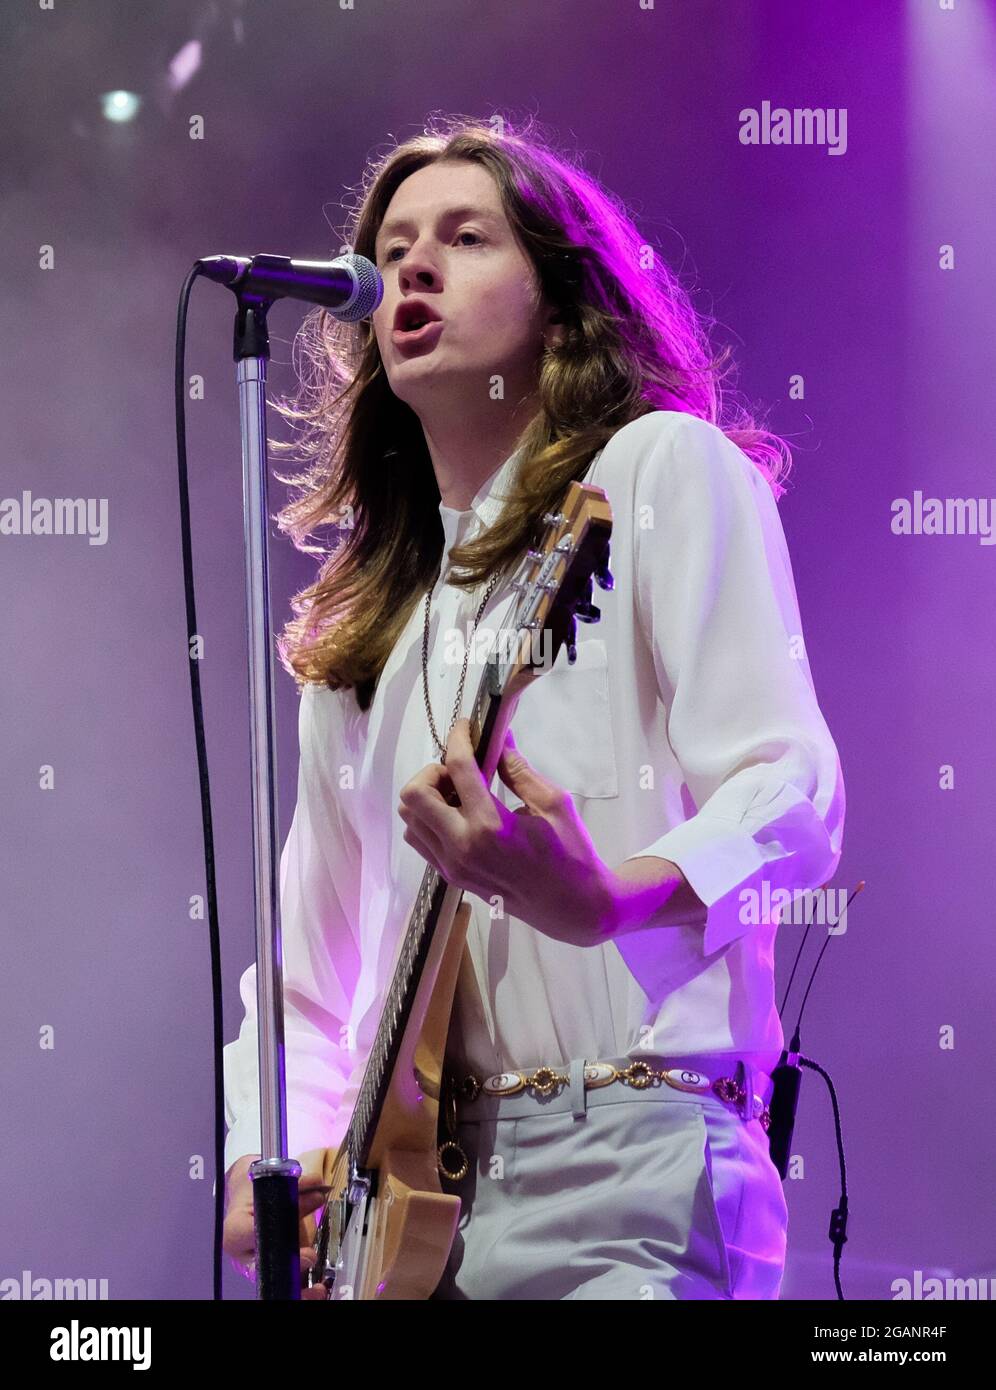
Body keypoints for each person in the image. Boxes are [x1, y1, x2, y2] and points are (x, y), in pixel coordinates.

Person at [221, 113, 845, 1300]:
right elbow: (305, 970)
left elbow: (790, 788)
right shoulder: (369, 634)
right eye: (393, 246)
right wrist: (278, 1160)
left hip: (628, 1165)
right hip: (408, 1214)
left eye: (464, 236)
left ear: (560, 303)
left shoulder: (659, 471)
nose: (412, 266)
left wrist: (609, 897)